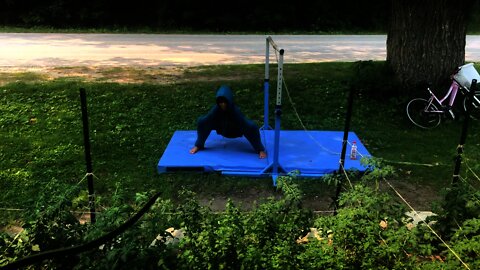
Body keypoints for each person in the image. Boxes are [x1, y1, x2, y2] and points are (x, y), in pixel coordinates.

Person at [189, 85, 267, 159]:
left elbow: (247, 125)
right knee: (202, 122)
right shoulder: (216, 110)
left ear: (229, 101)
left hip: (235, 131)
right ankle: (199, 145)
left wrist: (260, 149)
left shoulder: (235, 111)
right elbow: (206, 120)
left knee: (252, 127)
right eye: (220, 102)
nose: (222, 104)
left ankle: (259, 149)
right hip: (222, 129)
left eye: (224, 102)